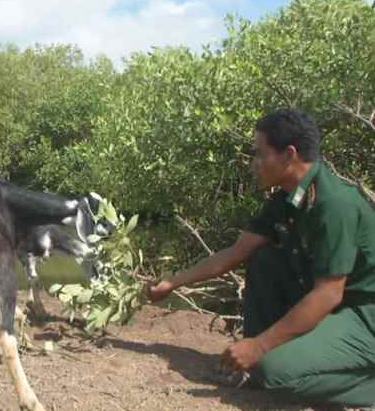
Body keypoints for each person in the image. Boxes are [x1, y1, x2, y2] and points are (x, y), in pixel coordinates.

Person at [148, 108, 375, 407]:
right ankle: (254, 367)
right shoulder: (286, 197)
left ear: (288, 155)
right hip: (337, 306)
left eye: (260, 154)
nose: (254, 164)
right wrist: (173, 282)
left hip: (364, 316)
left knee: (278, 375)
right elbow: (237, 252)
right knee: (263, 258)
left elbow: (328, 295)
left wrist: (261, 345)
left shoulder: (334, 204)